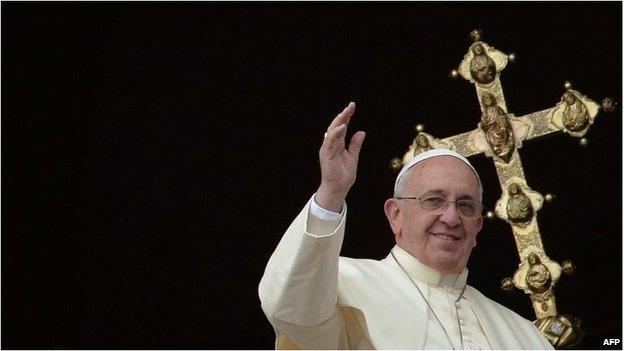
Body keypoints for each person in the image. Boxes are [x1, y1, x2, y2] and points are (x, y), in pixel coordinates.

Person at [258, 102, 553, 349]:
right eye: (434, 200)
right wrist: (331, 193)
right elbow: (289, 308)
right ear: (395, 214)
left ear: (478, 225)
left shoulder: (525, 336)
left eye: (465, 205)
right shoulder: (341, 285)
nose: (451, 218)